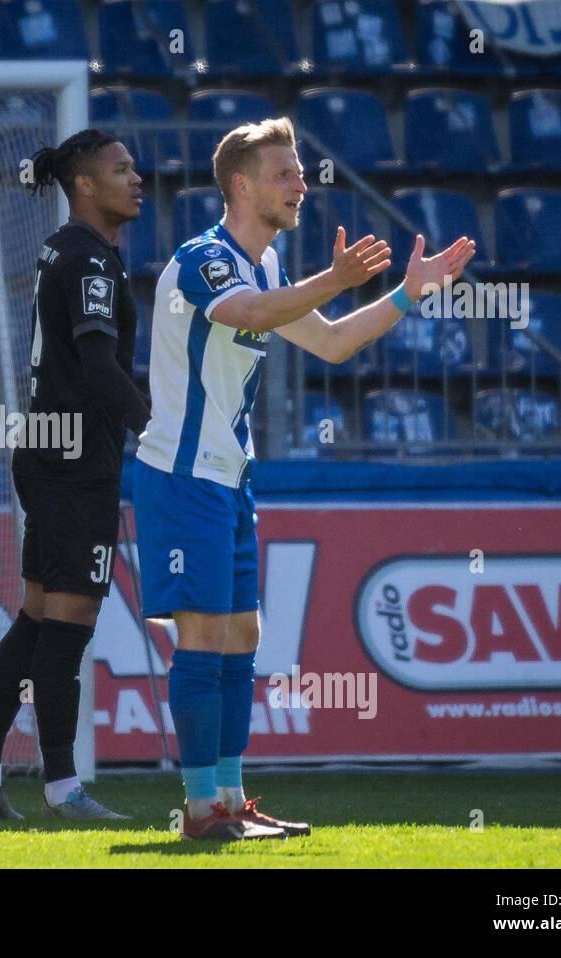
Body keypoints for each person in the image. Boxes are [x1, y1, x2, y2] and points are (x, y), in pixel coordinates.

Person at [134, 118, 475, 841]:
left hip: (230, 476)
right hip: (181, 474)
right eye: (285, 173)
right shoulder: (204, 258)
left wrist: (410, 295)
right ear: (241, 185)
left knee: (243, 633)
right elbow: (251, 314)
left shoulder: (268, 267)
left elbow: (332, 342)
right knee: (201, 634)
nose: (301, 185)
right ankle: (199, 811)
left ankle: (230, 800)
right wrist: (338, 277)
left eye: (301, 171)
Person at [0, 130, 149, 821]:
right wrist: (152, 428)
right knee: (67, 624)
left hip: (46, 445)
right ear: (86, 186)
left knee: (37, 619)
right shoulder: (89, 258)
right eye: (121, 169)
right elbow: (98, 366)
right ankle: (64, 789)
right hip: (75, 460)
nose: (137, 177)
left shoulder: (67, 250)